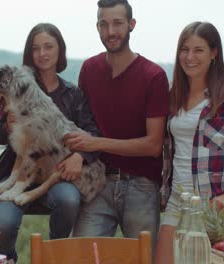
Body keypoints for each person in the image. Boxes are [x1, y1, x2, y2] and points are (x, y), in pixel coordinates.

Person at [0, 23, 101, 263]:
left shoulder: (73, 93)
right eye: (36, 48)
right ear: (30, 53)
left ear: (60, 50)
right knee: (3, 223)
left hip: (56, 169)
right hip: (16, 168)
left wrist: (81, 157)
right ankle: (9, 259)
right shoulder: (13, 84)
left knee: (68, 200)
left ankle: (53, 256)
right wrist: (8, 123)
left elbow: (91, 132)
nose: (42, 53)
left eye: (48, 47)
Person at [64, 0, 169, 247]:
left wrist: (95, 143)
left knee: (142, 259)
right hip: (98, 182)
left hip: (141, 185)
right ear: (97, 27)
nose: (111, 32)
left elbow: (153, 145)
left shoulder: (153, 76)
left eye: (118, 23)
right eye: (104, 24)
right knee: (81, 256)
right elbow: (82, 125)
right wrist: (80, 152)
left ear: (131, 25)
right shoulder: (89, 69)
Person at [154, 21, 224, 264]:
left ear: (214, 53)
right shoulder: (173, 96)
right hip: (176, 202)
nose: (189, 57)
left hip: (215, 207)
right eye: (184, 49)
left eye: (198, 50)